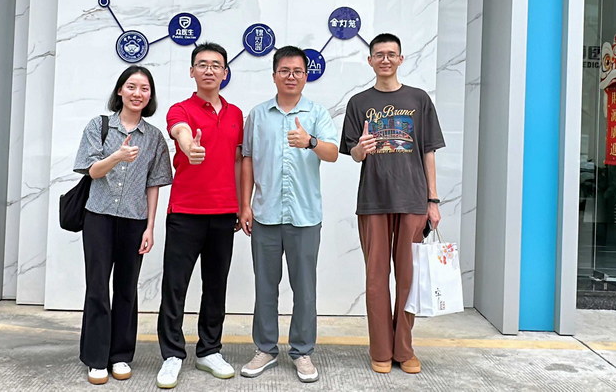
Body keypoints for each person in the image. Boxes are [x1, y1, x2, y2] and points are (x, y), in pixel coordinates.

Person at [338, 33, 445, 375]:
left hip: (413, 199)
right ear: (370, 60)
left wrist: (433, 200)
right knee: (376, 279)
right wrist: (361, 148)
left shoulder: (419, 99)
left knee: (408, 279)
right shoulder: (358, 102)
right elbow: (353, 154)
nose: (385, 59)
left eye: (391, 54)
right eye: (379, 54)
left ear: (401, 59)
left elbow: (428, 151)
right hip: (373, 200)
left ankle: (404, 349)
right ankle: (381, 350)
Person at [237, 46, 338, 383]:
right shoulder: (258, 115)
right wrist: (245, 204)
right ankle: (265, 349)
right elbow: (247, 159)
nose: (291, 76)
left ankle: (302, 351)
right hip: (265, 214)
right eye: (284, 70)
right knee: (265, 287)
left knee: (304, 288)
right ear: (274, 75)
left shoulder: (317, 113)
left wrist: (310, 142)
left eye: (297, 71)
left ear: (306, 76)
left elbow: (333, 153)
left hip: (305, 216)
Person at [73, 65, 173, 385]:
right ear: (120, 91)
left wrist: (150, 227)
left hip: (134, 220)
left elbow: (154, 184)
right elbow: (91, 171)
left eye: (144, 89)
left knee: (127, 288)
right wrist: (117, 156)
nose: (137, 93)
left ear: (150, 96)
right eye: (131, 87)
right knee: (98, 287)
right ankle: (96, 358)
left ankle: (120, 355)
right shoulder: (99, 126)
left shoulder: (154, 137)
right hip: (98, 217)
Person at [155, 42, 244, 389]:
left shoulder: (236, 114)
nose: (209, 70)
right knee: (174, 286)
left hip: (223, 212)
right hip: (186, 211)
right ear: (192, 71)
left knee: (216, 286)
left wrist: (241, 204)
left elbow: (238, 161)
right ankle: (172, 355)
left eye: (216, 65)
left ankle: (209, 350)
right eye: (202, 64)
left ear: (225, 73)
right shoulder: (180, 109)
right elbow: (179, 131)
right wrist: (188, 145)